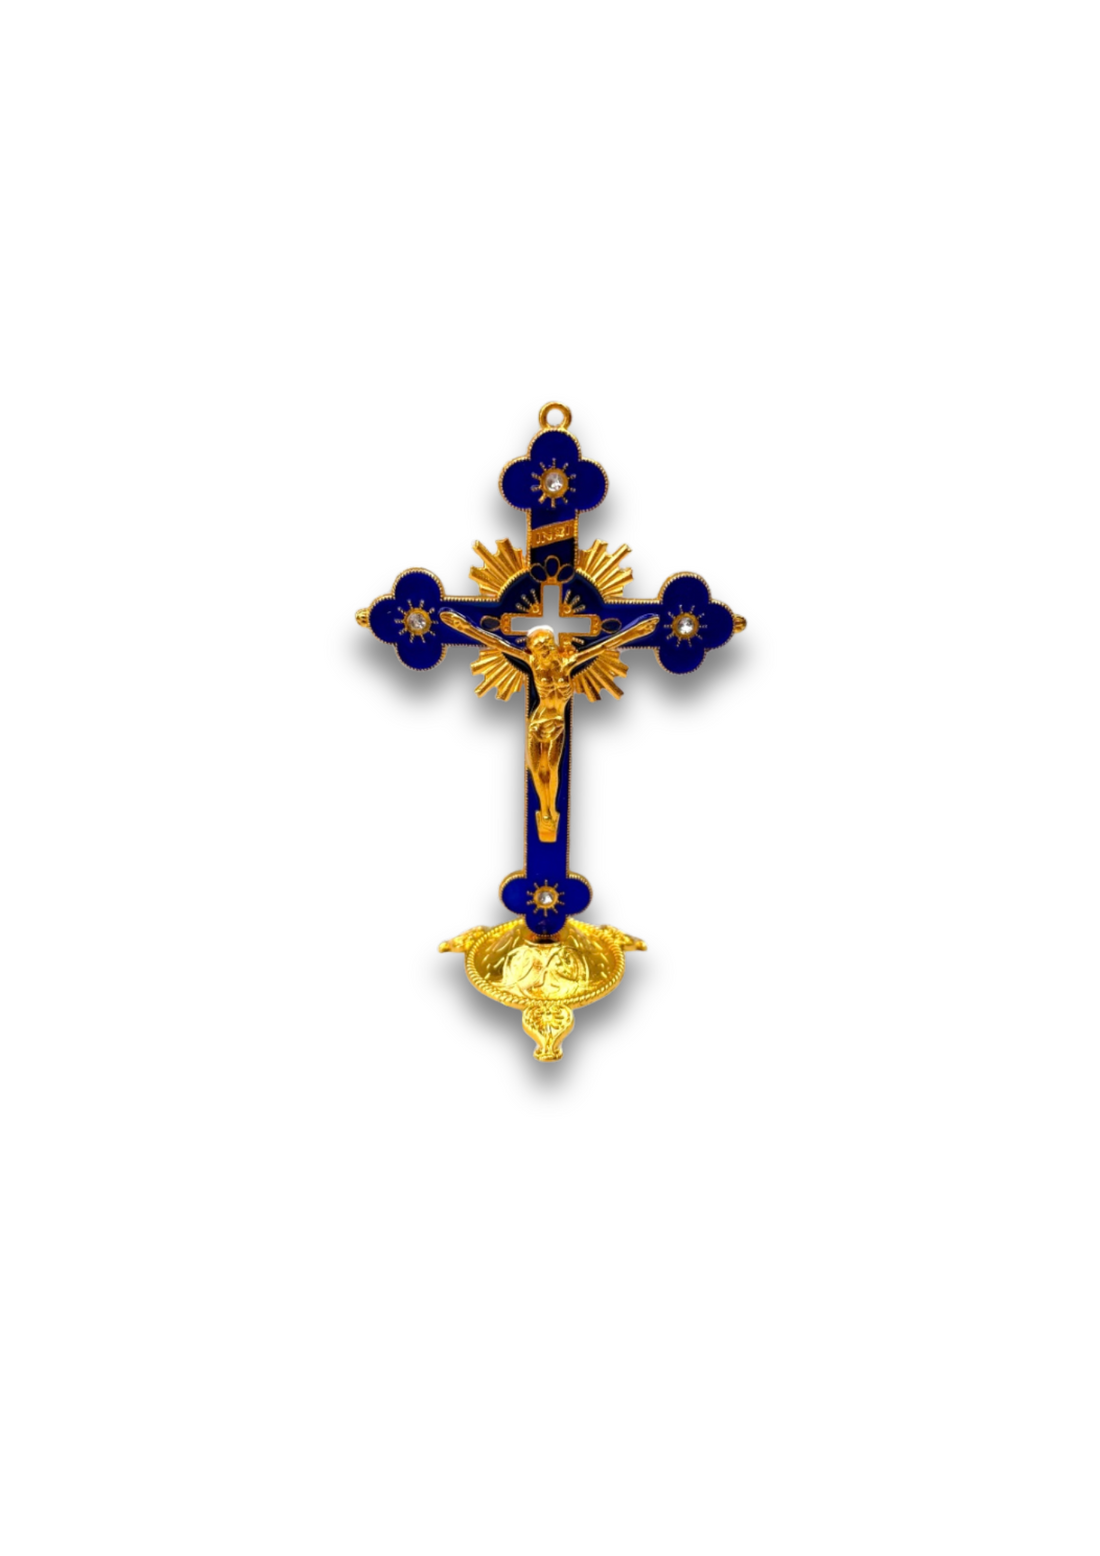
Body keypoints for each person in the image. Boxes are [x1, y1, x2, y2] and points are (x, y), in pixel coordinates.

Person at [440, 610, 659, 841]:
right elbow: (496, 642)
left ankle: (549, 810)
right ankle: (544, 812)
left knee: (552, 769)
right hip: (537, 723)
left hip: (557, 724)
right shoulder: (533, 663)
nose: (542, 649)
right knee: (537, 770)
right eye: (537, 647)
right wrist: (464, 627)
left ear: (552, 643)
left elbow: (603, 646)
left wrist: (637, 631)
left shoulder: (567, 663)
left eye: (545, 644)